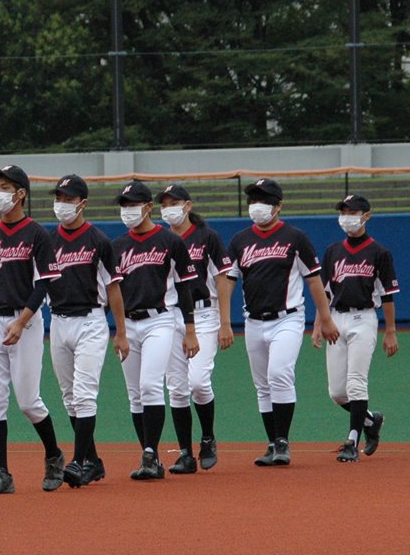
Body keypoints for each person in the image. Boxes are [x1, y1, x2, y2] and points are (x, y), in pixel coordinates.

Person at [224, 178, 339, 466]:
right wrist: (223, 321)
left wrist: (325, 318)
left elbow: (314, 280)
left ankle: (283, 442)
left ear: (278, 206)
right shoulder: (240, 240)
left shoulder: (295, 238)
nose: (257, 206)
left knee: (279, 373)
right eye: (253, 200)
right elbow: (227, 281)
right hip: (253, 320)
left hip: (287, 318)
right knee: (262, 385)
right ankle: (272, 443)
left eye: (263, 200)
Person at [0, 165, 67, 494]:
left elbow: (43, 285)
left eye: (5, 187)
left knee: (28, 401)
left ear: (21, 194)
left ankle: (54, 455)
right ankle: (2, 473)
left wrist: (21, 321)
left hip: (25, 321)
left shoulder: (37, 234)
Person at [111, 181, 200, 480]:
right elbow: (113, 292)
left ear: (149, 207)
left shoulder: (170, 241)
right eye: (124, 205)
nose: (128, 211)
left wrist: (190, 329)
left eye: (133, 205)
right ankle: (150, 456)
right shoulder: (118, 246)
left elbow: (185, 287)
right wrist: (119, 331)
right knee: (135, 394)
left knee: (150, 385)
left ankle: (150, 454)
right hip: (129, 323)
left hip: (160, 319)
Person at [46, 174, 128, 487]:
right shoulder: (49, 241)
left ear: (83, 203)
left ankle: (79, 463)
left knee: (84, 395)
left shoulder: (98, 241)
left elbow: (113, 288)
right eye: (59, 198)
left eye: (68, 198)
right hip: (58, 321)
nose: (62, 204)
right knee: (69, 397)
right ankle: (93, 461)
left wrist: (121, 331)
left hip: (91, 320)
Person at [312, 194, 400, 462]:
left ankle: (352, 441)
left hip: (364, 318)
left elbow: (387, 295)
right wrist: (318, 324)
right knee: (337, 393)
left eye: (352, 212)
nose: (347, 217)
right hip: (336, 319)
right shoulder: (333, 251)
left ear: (366, 216)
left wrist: (390, 331)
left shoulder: (379, 253)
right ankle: (371, 420)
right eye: (343, 212)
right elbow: (325, 293)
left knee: (355, 383)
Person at [157, 185, 235, 473]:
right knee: (177, 389)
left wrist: (225, 323)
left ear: (188, 206)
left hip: (203, 314)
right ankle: (185, 454)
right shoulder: (160, 239)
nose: (169, 209)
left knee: (199, 382)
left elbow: (223, 279)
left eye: (174, 203)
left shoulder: (207, 237)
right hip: (170, 314)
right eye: (164, 204)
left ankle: (208, 437)